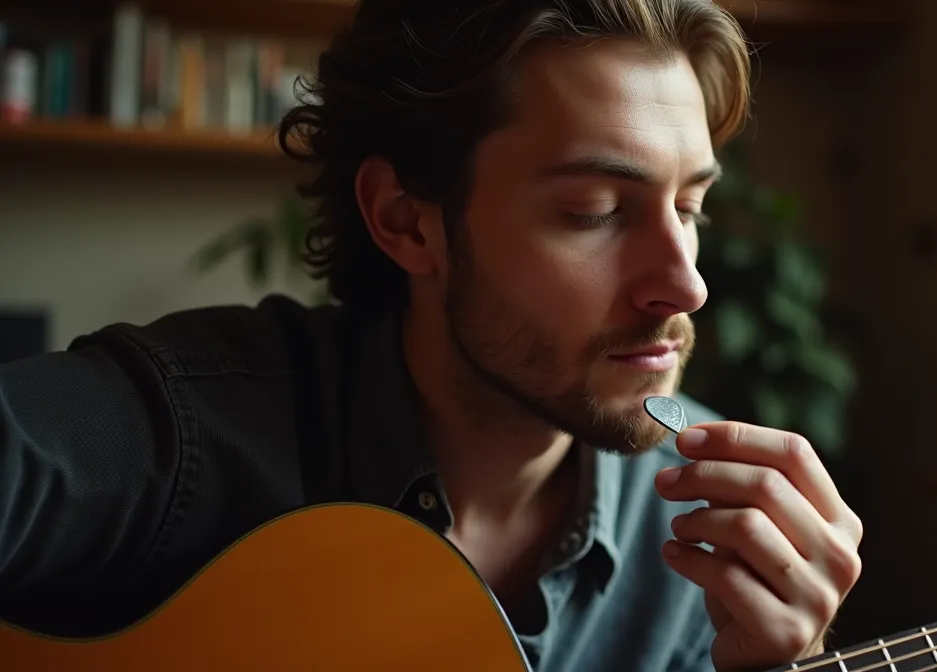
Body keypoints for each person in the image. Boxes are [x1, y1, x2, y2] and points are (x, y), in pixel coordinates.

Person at [0, 0, 863, 670]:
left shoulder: (703, 538)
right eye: (594, 213)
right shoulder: (185, 434)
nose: (688, 282)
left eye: (691, 208)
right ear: (407, 221)